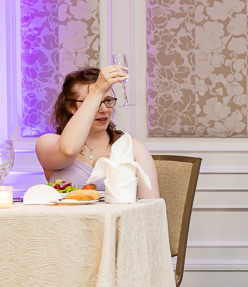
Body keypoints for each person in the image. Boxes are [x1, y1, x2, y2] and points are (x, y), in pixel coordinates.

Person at [36, 66, 160, 198]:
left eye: (107, 101)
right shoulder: (47, 143)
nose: (103, 109)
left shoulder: (133, 147)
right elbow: (68, 150)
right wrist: (97, 90)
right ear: (72, 107)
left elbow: (151, 205)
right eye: (93, 101)